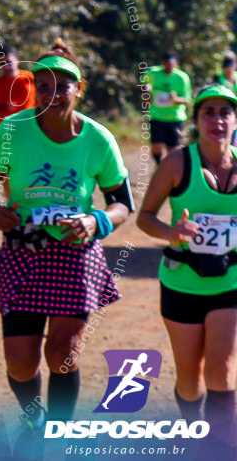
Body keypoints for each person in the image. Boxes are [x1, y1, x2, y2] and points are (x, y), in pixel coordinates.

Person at [0, 40, 134, 429]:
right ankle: (34, 418)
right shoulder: (13, 130)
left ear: (79, 89)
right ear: (34, 90)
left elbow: (122, 202)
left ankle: (58, 431)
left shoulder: (97, 138)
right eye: (43, 86)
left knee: (64, 352)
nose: (53, 94)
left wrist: (97, 221)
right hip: (23, 252)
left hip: (75, 253)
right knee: (21, 361)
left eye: (63, 86)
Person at [137, 84, 237, 455]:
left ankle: (221, 447)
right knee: (190, 380)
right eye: (208, 113)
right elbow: (145, 218)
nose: (217, 120)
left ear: (235, 120)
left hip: (230, 282)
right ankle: (192, 428)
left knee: (221, 371)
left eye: (225, 112)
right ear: (196, 121)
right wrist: (172, 232)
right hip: (182, 282)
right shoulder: (178, 162)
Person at [141, 51, 192, 164]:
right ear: (162, 63)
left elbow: (187, 100)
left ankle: (171, 172)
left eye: (171, 63)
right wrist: (146, 92)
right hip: (157, 115)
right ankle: (159, 164)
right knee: (157, 146)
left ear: (177, 63)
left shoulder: (182, 78)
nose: (169, 66)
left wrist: (175, 99)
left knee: (173, 150)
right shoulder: (152, 72)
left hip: (175, 117)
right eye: (166, 63)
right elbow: (144, 85)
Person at [0, 46, 35, 128]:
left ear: (17, 60)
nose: (6, 66)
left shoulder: (30, 78)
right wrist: (5, 108)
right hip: (4, 130)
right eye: (2, 63)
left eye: (9, 62)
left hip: (28, 128)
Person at [217, 52, 237, 146]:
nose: (228, 69)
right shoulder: (218, 79)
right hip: (225, 114)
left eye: (231, 66)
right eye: (226, 66)